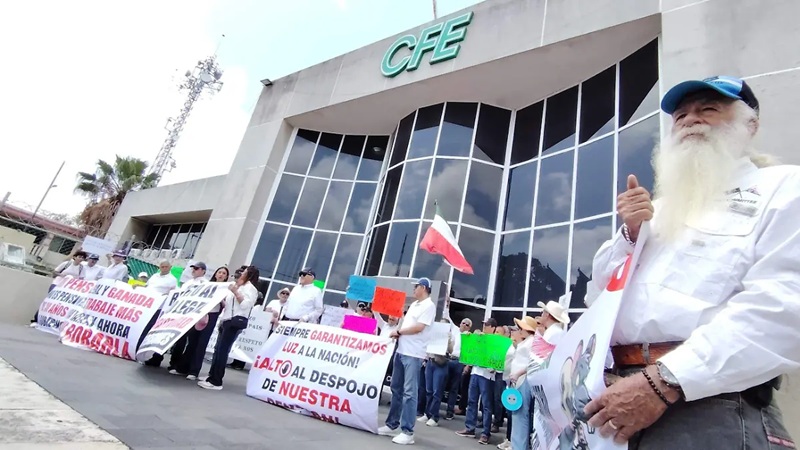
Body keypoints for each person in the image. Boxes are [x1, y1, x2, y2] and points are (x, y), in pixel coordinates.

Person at [583, 76, 797, 448]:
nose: (689, 120)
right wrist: (631, 235)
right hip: (618, 401)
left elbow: (783, 308)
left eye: (708, 109)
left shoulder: (783, 188)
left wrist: (664, 381)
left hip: (709, 408)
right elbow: (596, 296)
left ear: (750, 125)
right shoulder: (659, 210)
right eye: (680, 115)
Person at [378, 277, 436, 445]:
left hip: (413, 354)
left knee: (410, 392)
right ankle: (392, 424)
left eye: (416, 287)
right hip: (402, 351)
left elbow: (419, 328)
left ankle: (407, 431)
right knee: (396, 388)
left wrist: (400, 332)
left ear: (423, 288)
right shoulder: (415, 306)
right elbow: (407, 324)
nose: (414, 289)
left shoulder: (429, 306)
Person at [198, 265, 259, 390]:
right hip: (227, 320)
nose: (241, 274)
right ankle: (212, 376)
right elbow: (230, 305)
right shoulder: (239, 286)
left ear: (250, 275)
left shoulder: (250, 289)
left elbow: (246, 305)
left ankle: (216, 381)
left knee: (223, 351)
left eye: (245, 272)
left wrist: (236, 292)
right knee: (218, 349)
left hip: (235, 321)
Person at [174, 265, 229, 379]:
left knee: (202, 343)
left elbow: (226, 306)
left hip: (212, 315)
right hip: (200, 313)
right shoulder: (207, 285)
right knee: (192, 340)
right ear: (215, 274)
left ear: (226, 277)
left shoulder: (227, 289)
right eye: (219, 272)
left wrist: (221, 300)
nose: (221, 275)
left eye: (224, 273)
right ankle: (183, 368)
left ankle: (194, 371)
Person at [456, 317, 498, 445]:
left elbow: (496, 357)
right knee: (472, 400)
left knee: (486, 404)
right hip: (476, 372)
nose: (485, 327)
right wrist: (470, 337)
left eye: (487, 326)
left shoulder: (495, 341)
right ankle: (470, 428)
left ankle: (485, 433)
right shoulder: (480, 337)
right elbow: (471, 350)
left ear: (493, 328)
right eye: (484, 325)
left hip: (487, 375)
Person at [444, 317, 471, 420]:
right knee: (441, 384)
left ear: (469, 328)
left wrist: (467, 365)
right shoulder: (454, 330)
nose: (464, 325)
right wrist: (446, 303)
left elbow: (470, 352)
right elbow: (448, 317)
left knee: (454, 388)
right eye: (463, 323)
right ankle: (433, 411)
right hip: (448, 359)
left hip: (459, 362)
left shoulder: (469, 337)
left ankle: (450, 411)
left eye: (467, 324)